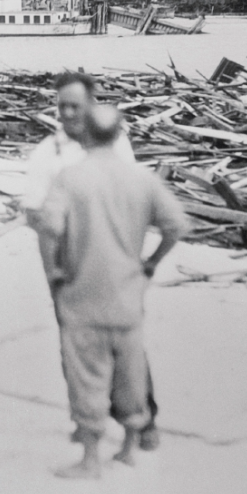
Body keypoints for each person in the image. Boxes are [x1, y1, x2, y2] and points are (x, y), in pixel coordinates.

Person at [38, 105, 187, 479]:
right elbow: (177, 225)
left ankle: (90, 459)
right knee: (130, 374)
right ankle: (129, 448)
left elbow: (50, 229)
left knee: (87, 375)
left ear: (85, 134)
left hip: (83, 295)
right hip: (127, 294)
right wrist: (151, 262)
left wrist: (55, 271)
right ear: (120, 134)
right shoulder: (142, 180)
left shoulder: (70, 178)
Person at [23, 71, 163, 451]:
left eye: (76, 105)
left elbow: (133, 199)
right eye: (62, 106)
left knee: (128, 348)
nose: (69, 113)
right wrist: (52, 270)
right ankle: (88, 425)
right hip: (70, 263)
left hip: (115, 259)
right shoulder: (47, 153)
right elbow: (36, 215)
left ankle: (144, 421)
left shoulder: (117, 144)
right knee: (74, 348)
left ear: (90, 104)